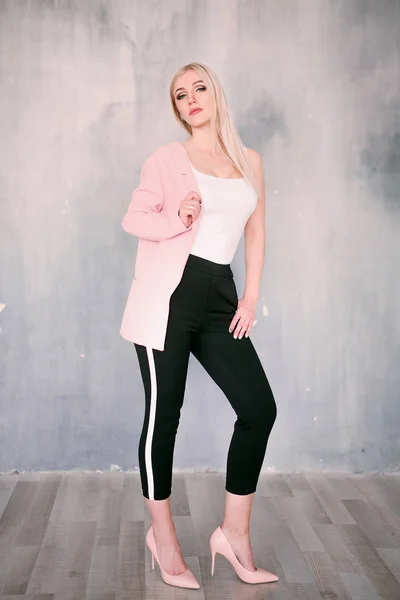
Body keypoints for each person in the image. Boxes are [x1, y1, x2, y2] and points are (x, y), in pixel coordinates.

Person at [120, 62, 279, 588]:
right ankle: (162, 537)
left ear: (215, 93)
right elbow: (134, 219)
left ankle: (233, 535)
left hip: (219, 296)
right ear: (177, 107)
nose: (191, 99)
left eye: (199, 88)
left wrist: (250, 296)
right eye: (180, 94)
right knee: (164, 417)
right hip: (168, 297)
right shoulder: (167, 159)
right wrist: (179, 219)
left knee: (258, 408)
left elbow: (254, 233)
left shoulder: (248, 160)